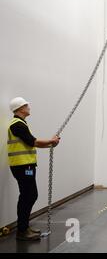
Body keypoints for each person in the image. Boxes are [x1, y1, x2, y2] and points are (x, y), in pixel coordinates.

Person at [7, 97, 60, 241]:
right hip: (22, 166)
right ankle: (22, 231)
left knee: (29, 195)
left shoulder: (21, 124)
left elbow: (32, 143)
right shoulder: (17, 125)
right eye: (26, 105)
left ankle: (24, 228)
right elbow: (34, 141)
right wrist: (50, 141)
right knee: (28, 195)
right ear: (19, 109)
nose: (28, 106)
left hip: (26, 166)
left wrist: (51, 144)